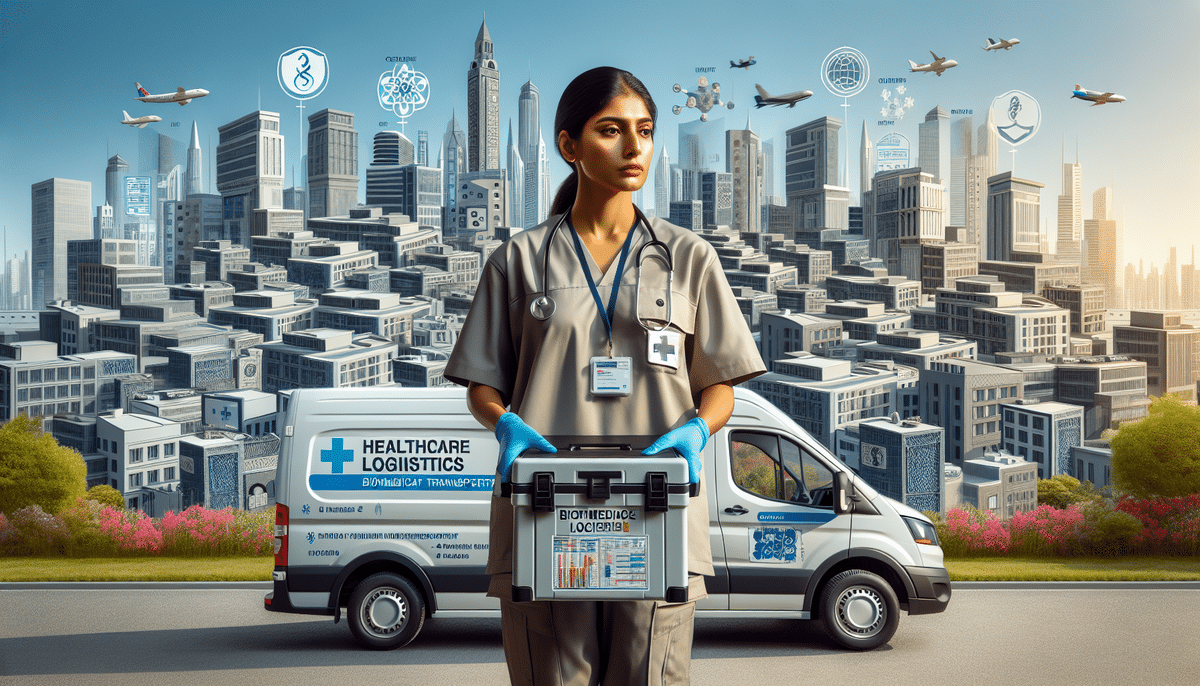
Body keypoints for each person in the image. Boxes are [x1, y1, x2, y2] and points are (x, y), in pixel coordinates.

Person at [445, 66, 765, 686]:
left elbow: (719, 383)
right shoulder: (518, 259)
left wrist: (698, 431)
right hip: (546, 508)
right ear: (569, 146)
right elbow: (482, 382)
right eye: (611, 130)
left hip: (658, 508)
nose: (633, 147)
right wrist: (504, 422)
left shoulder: (688, 257)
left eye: (644, 131)